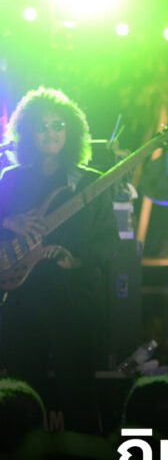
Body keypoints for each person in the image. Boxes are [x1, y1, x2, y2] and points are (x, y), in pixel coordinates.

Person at [0, 87, 118, 433]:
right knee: (22, 392)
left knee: (78, 392)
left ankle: (83, 458)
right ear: (28, 132)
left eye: (58, 125)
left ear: (71, 131)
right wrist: (8, 221)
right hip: (21, 300)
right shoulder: (11, 179)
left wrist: (77, 261)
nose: (50, 133)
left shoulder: (91, 183)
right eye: (42, 126)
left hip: (72, 302)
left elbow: (109, 243)